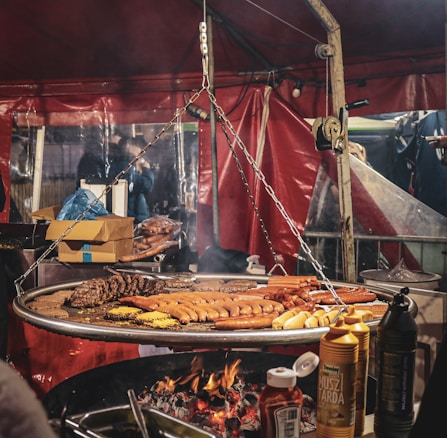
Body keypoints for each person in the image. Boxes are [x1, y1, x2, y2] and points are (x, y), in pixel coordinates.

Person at [109, 136, 155, 223]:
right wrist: (147, 171)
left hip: (131, 214)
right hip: (132, 216)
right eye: (139, 152)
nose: (141, 155)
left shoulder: (121, 165)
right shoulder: (126, 166)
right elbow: (146, 185)